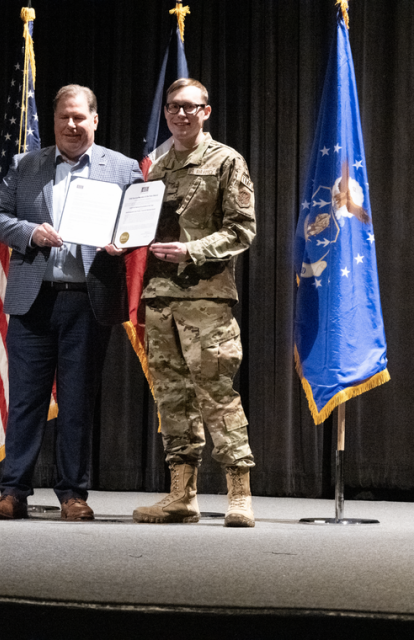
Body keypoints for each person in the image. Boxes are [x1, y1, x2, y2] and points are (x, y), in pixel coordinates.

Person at [0, 84, 142, 521]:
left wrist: (123, 243)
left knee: (77, 402)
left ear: (95, 119)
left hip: (88, 302)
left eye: (79, 117)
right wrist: (30, 233)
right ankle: (13, 491)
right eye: (63, 118)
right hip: (34, 299)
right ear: (53, 123)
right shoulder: (26, 164)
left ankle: (73, 494)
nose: (71, 125)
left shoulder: (124, 169)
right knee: (27, 401)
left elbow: (143, 222)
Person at [133, 78, 257, 528]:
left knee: (216, 394)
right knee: (172, 398)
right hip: (160, 296)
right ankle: (181, 495)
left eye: (189, 107)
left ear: (206, 111)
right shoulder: (156, 166)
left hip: (206, 296)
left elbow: (243, 229)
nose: (180, 114)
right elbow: (139, 224)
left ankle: (239, 494)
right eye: (172, 107)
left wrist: (194, 250)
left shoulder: (226, 161)